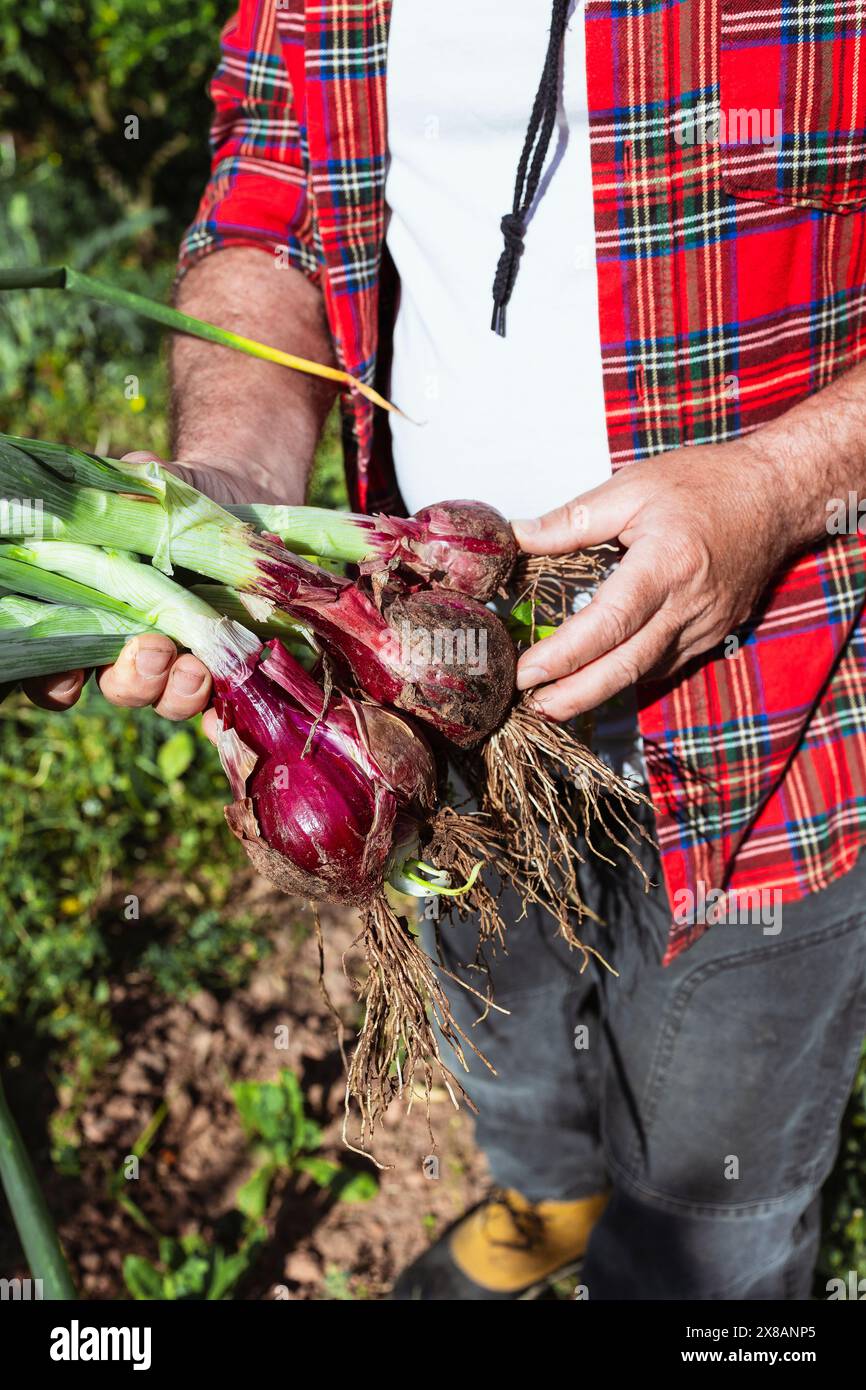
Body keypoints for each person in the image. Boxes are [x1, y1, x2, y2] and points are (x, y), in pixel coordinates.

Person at [30, 0, 866, 1299]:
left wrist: (778, 486)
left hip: (793, 672)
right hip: (420, 668)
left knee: (717, 1174)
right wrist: (219, 499)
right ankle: (546, 1199)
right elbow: (272, 205)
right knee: (506, 1030)